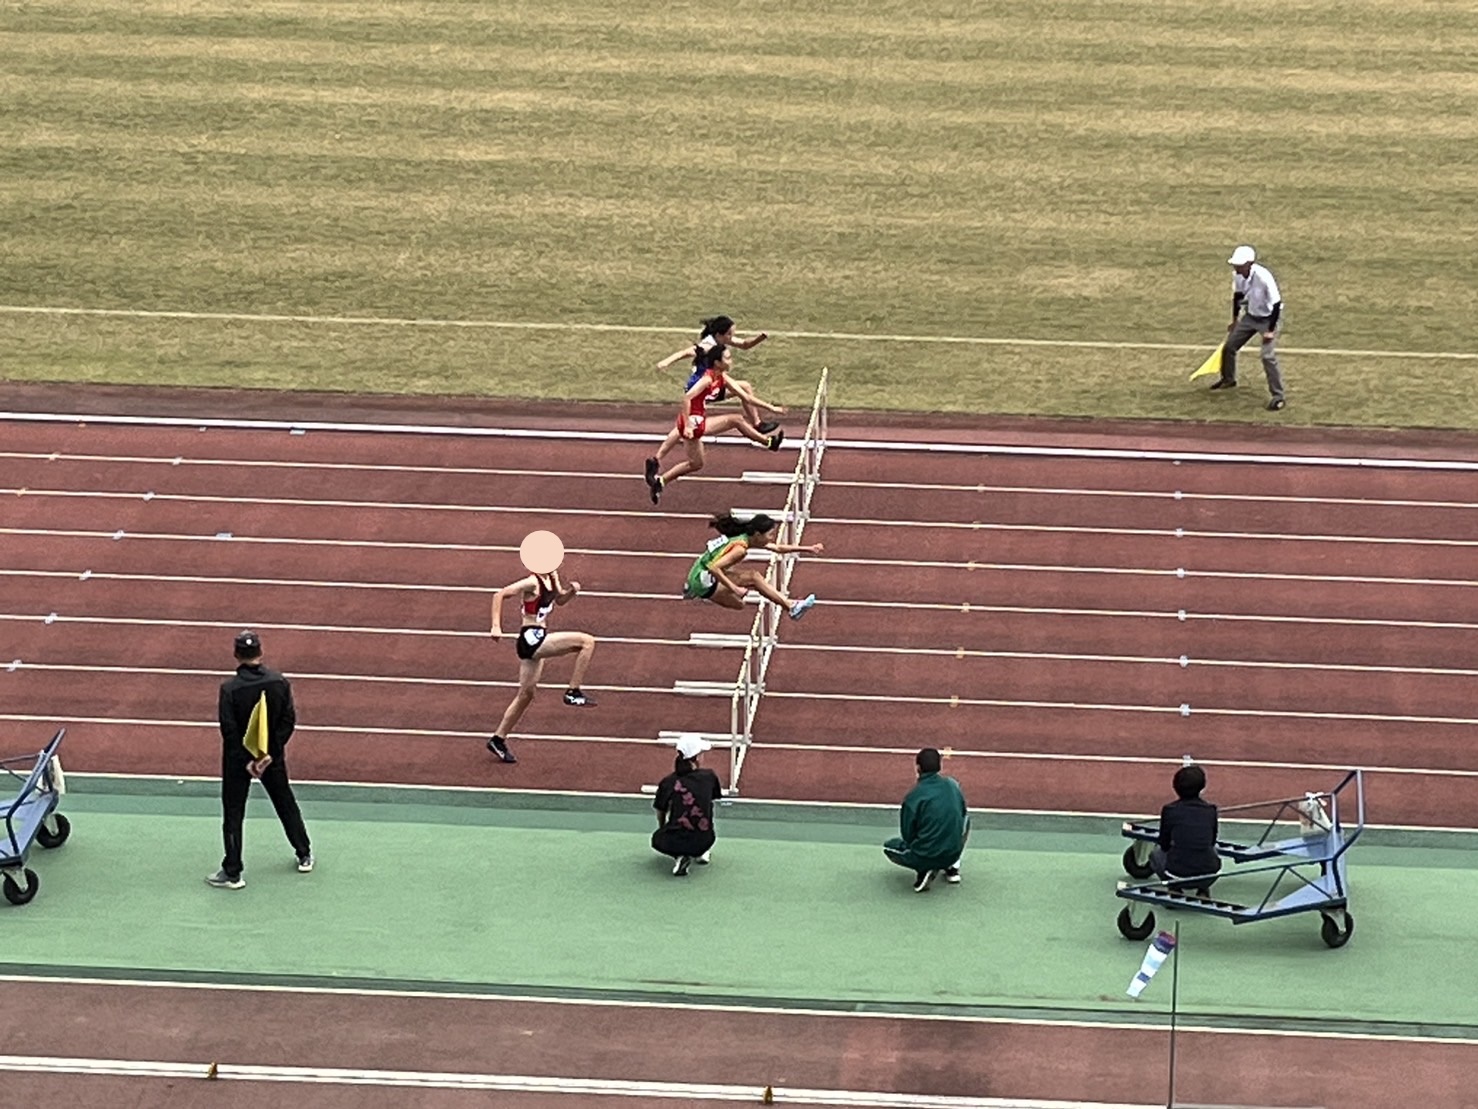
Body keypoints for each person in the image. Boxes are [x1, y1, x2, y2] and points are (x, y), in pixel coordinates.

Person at [208, 630, 312, 889]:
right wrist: (268, 756)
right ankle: (304, 853)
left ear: (236, 655)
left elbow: (229, 730)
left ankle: (232, 872)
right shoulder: (279, 682)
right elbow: (288, 721)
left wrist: (246, 760)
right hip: (271, 757)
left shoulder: (229, 689)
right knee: (284, 802)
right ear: (260, 652)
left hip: (237, 761)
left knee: (233, 812)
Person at [644, 342, 786, 505]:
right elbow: (687, 398)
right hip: (692, 422)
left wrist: (771, 407)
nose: (731, 361)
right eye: (727, 358)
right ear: (717, 362)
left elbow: (746, 397)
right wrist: (689, 425)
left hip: (698, 419)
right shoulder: (707, 379)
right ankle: (769, 443)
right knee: (736, 420)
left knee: (696, 464)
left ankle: (660, 482)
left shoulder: (722, 377)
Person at [487, 565, 596, 764]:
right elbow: (499, 594)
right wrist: (496, 625)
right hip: (531, 639)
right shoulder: (532, 582)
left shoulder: (552, 577)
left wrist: (571, 592)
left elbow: (559, 599)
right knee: (586, 642)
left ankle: (498, 739)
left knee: (526, 695)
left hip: (538, 637)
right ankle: (573, 692)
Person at [656, 316, 780, 435]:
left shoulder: (721, 340)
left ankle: (757, 424)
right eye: (729, 334)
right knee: (744, 388)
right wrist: (666, 362)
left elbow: (745, 345)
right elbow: (684, 353)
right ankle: (757, 425)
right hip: (703, 388)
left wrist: (761, 337)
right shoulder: (707, 345)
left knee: (745, 387)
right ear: (719, 335)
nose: (731, 338)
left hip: (714, 383)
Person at [684, 513, 820, 620]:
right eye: (770, 534)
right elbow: (714, 567)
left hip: (696, 573)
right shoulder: (740, 549)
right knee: (753, 577)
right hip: (702, 580)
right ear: (757, 535)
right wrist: (735, 588)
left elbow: (778, 548)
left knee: (740, 605)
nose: (772, 538)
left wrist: (808, 548)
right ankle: (791, 607)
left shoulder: (744, 535)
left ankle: (694, 590)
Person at [883, 748, 969, 893]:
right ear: (939, 766)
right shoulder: (953, 785)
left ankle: (924, 869)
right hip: (953, 851)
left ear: (918, 768)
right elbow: (962, 812)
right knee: (965, 821)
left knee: (889, 847)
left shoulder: (913, 798)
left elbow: (908, 835)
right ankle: (952, 866)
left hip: (926, 855)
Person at [1212, 245, 1286, 411]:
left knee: (1267, 356)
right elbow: (1238, 296)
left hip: (1269, 319)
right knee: (1229, 346)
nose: (1236, 268)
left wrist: (1270, 330)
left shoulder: (1264, 277)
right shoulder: (1237, 275)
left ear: (1250, 263)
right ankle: (1228, 379)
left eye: (1239, 265)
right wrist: (1234, 320)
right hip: (1251, 316)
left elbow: (1276, 304)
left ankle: (1278, 396)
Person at [652, 735, 724, 877]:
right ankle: (701, 851)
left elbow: (660, 810)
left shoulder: (668, 782)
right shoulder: (709, 777)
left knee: (657, 840)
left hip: (674, 841)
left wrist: (663, 828)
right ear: (696, 758)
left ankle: (680, 856)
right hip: (706, 839)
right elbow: (709, 802)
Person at [1151, 763, 1221, 895]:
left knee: (1155, 854)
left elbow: (1164, 844)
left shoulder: (1169, 810)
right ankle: (1203, 889)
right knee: (1211, 849)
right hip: (1209, 875)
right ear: (1202, 787)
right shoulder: (1211, 810)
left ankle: (1174, 888)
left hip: (1176, 874)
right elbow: (1212, 841)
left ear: (1175, 787)